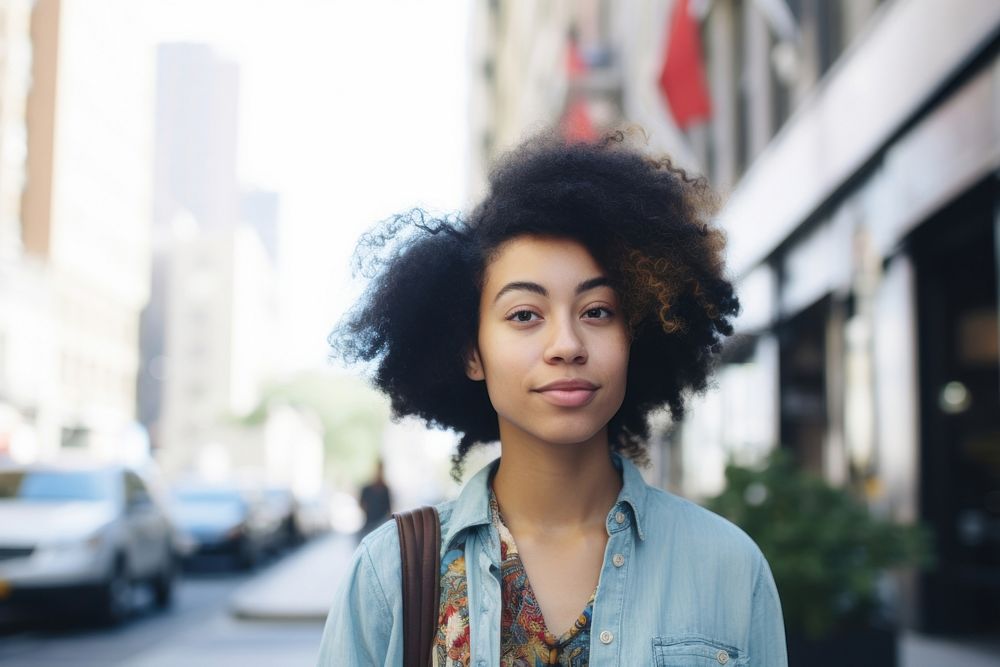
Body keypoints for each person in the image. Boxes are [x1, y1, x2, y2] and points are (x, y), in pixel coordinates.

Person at [319, 131, 787, 665]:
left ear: (637, 337)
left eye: (597, 312)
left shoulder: (728, 567)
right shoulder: (392, 574)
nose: (566, 344)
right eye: (525, 315)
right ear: (472, 352)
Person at [358, 459, 392, 540]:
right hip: (369, 525)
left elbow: (389, 510)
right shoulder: (366, 489)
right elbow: (361, 504)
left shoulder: (385, 489)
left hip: (381, 526)